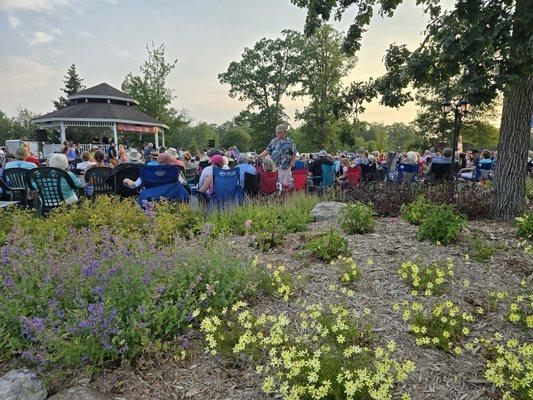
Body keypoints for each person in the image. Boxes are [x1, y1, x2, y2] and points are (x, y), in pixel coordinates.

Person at [258, 123, 297, 188]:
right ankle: (276, 197)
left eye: (280, 132)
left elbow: (294, 154)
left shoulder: (290, 142)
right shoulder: (274, 141)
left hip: (285, 168)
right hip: (274, 167)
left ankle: (284, 197)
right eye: (277, 132)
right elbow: (267, 150)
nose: (278, 134)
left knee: (284, 185)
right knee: (275, 185)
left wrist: (291, 164)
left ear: (284, 132)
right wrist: (259, 156)